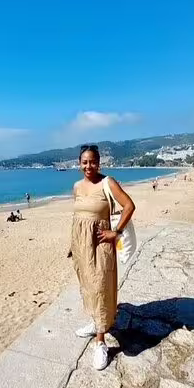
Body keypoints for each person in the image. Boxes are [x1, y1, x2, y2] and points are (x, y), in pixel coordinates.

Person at [70, 144, 135, 371]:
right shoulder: (77, 186)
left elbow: (129, 205)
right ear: (79, 164)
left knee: (100, 287)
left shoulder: (108, 183)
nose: (89, 166)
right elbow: (79, 216)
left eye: (93, 161)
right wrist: (74, 244)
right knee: (87, 286)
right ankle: (95, 322)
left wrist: (115, 232)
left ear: (99, 162)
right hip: (81, 246)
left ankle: (100, 342)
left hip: (100, 244)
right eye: (84, 162)